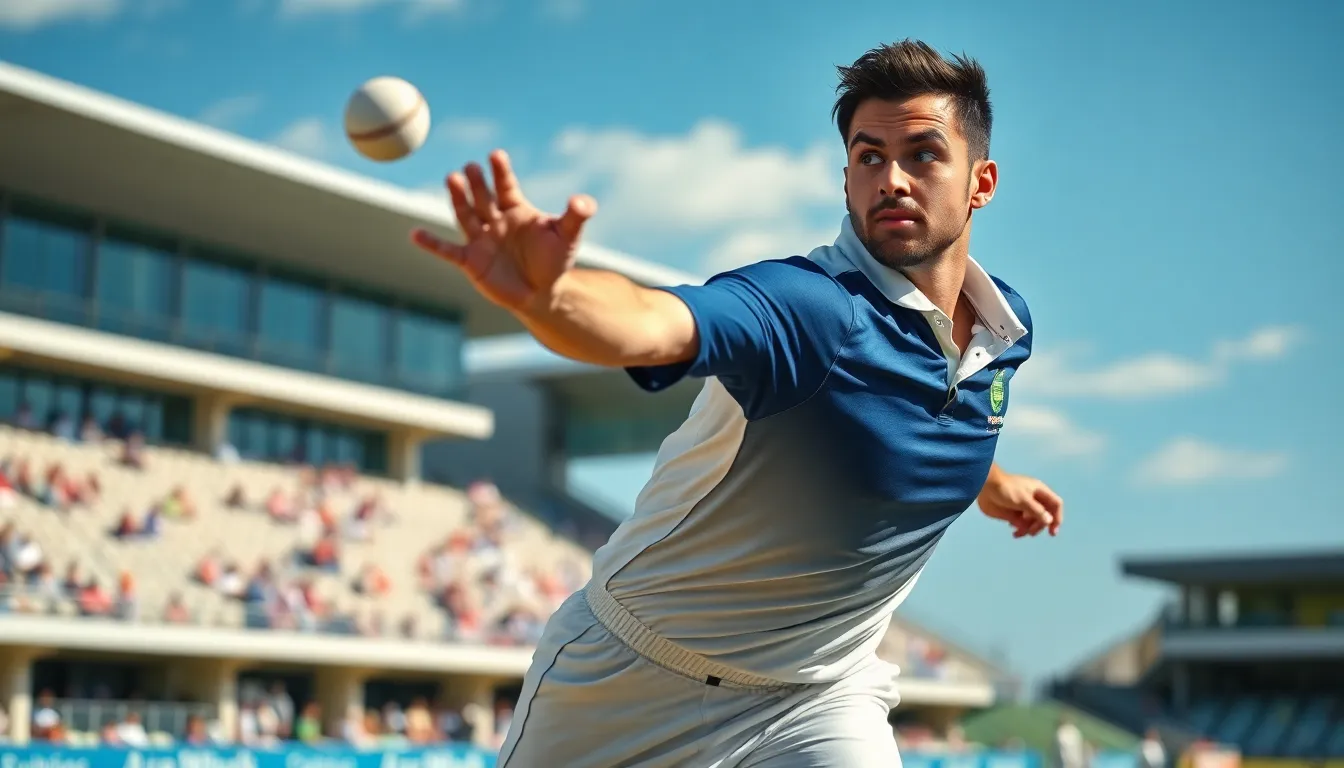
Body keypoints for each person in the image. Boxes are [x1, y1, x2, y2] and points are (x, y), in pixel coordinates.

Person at [413, 39, 1064, 768]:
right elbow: (655, 323)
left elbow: (919, 415)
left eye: (923, 154)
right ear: (846, 176)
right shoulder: (810, 308)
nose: (893, 179)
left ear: (982, 182)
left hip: (818, 699)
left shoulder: (1008, 328)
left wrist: (990, 479)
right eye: (869, 156)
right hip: (629, 679)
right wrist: (553, 299)